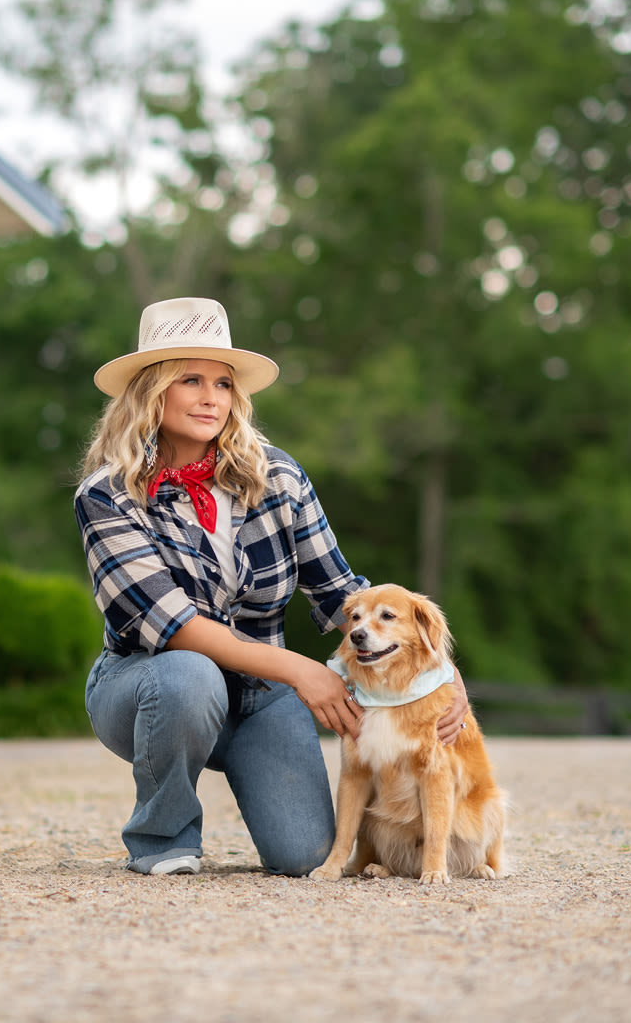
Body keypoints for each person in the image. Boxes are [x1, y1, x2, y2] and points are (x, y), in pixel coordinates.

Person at [73, 296, 470, 877]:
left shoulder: (277, 476)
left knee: (306, 854)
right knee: (190, 674)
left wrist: (445, 675)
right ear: (151, 391)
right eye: (191, 379)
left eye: (224, 383)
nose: (212, 397)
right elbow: (174, 627)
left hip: (260, 696)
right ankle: (164, 837)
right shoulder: (107, 495)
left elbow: (343, 594)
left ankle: (255, 774)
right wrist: (298, 669)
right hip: (148, 687)